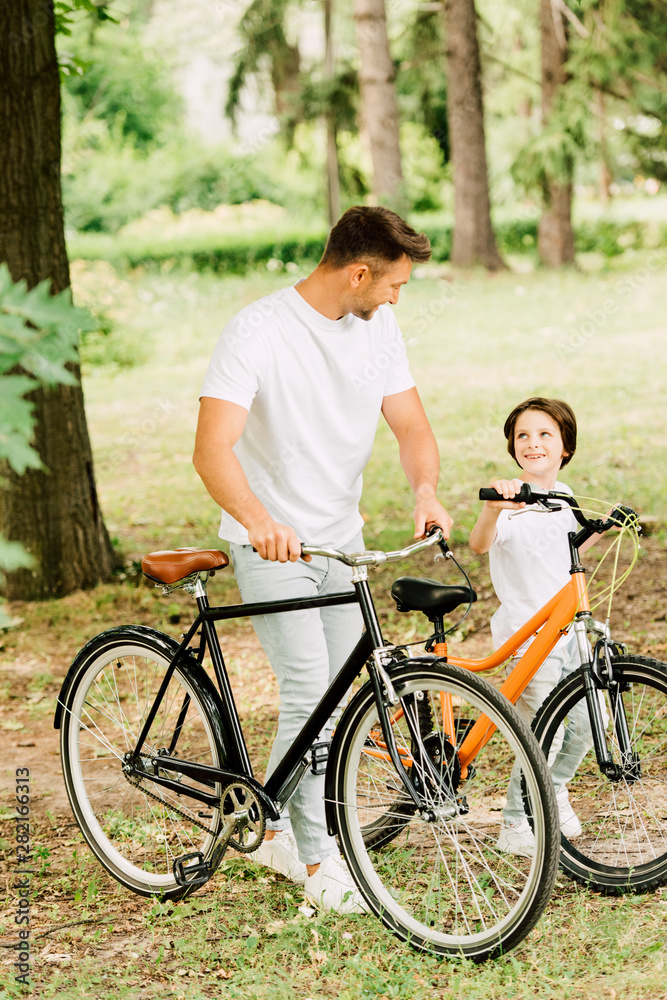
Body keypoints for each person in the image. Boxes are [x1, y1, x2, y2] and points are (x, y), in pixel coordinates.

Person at [193, 205, 453, 912]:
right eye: (395, 283)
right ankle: (318, 865)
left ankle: (268, 819)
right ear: (359, 273)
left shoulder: (379, 327)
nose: (399, 296)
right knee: (311, 695)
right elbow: (211, 449)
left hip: (340, 539)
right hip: (273, 544)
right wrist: (260, 521)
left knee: (337, 701)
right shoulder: (258, 329)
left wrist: (424, 490)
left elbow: (410, 425)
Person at [469, 397, 601, 857]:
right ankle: (515, 823)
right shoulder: (511, 501)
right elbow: (479, 544)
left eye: (545, 434)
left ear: (565, 447)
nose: (533, 443)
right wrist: (494, 507)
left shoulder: (565, 498)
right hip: (530, 637)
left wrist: (603, 528)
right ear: (513, 446)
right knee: (547, 731)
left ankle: (553, 791)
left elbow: (566, 552)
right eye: (523, 435)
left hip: (572, 633)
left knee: (586, 724)